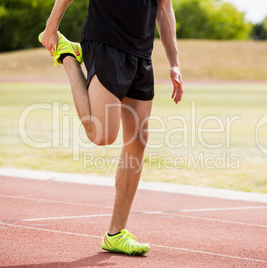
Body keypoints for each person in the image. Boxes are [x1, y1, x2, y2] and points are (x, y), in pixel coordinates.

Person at [39, 0, 183, 256]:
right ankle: (69, 55)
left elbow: (164, 7)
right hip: (106, 41)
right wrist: (52, 26)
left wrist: (174, 63)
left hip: (141, 52)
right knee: (101, 134)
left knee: (138, 141)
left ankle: (116, 233)